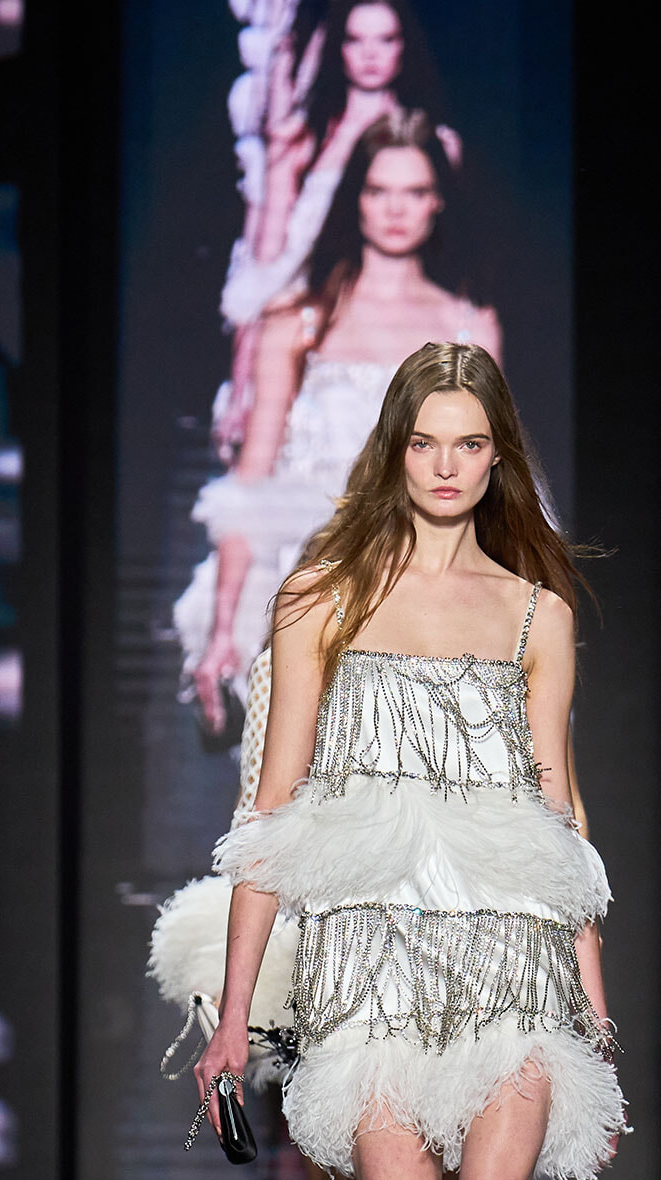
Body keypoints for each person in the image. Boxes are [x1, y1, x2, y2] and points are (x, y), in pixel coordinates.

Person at [195, 341, 625, 1180]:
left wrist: (592, 993)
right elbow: (274, 813)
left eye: (472, 446)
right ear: (395, 449)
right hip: (372, 964)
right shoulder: (324, 591)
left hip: (511, 960)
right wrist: (230, 1016)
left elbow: (559, 807)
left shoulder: (533, 611)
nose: (448, 468)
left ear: (498, 459)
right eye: (427, 443)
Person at [178, 111, 498, 731]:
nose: (395, 209)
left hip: (427, 585)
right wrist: (224, 628)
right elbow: (251, 484)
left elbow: (488, 484)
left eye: (413, 192)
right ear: (356, 200)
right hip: (304, 576)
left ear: (437, 202)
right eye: (378, 190)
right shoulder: (298, 321)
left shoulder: (470, 328)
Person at [216, 0, 461, 455]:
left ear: (404, 48)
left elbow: (450, 263)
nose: (370, 54)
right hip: (304, 344)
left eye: (385, 39)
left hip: (398, 344)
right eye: (355, 39)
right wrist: (246, 375)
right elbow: (264, 272)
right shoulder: (305, 139)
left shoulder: (432, 147)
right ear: (338, 47)